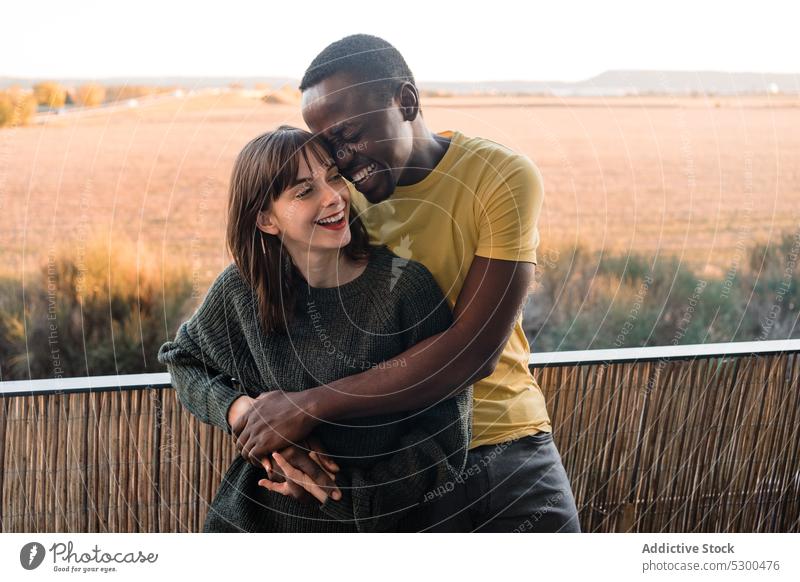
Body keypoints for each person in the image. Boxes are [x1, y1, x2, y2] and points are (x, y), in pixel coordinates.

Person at [235, 34, 581, 532]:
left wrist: (310, 407)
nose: (344, 161)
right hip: (394, 461)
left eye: (350, 133)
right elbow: (263, 330)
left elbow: (474, 352)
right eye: (329, 148)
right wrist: (268, 432)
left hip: (504, 441)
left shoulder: (498, 176)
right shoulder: (339, 207)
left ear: (406, 101)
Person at [157, 126, 471, 532]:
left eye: (334, 177)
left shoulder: (405, 287)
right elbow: (183, 361)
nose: (334, 197)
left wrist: (339, 492)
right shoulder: (242, 288)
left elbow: (447, 427)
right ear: (266, 220)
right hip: (254, 523)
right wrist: (247, 414)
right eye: (305, 191)